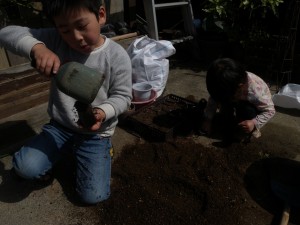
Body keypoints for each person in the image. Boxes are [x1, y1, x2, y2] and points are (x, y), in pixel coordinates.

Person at [0, 0, 132, 204]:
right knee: (24, 168)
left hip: (95, 134)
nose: (76, 37)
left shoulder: (116, 56)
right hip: (59, 128)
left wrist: (102, 112)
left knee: (93, 196)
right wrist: (37, 48)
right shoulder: (56, 40)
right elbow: (6, 33)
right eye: (65, 30)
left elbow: (123, 96)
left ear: (101, 15)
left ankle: (101, 150)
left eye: (82, 26)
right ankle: (55, 159)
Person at [201, 58, 275, 146]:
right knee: (225, 108)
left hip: (253, 105)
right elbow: (214, 99)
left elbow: (270, 110)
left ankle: (248, 130)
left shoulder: (255, 92)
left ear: (240, 87)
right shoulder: (226, 86)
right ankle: (228, 121)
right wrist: (208, 119)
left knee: (247, 110)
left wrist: (254, 123)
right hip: (236, 97)